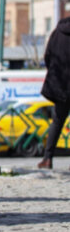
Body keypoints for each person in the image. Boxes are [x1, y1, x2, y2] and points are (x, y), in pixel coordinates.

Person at [37, 17, 70, 170]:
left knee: (57, 122)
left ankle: (47, 158)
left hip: (61, 85)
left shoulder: (57, 32)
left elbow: (48, 56)